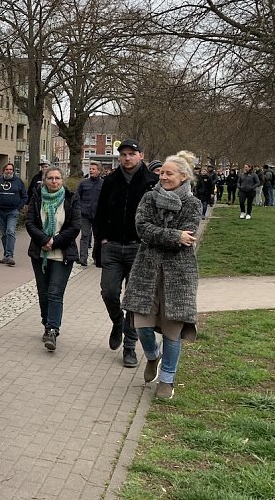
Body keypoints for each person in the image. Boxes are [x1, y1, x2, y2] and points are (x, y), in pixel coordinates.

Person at [122, 151, 201, 400]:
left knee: (172, 330)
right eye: (161, 172)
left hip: (179, 276)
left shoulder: (193, 204)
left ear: (183, 176)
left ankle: (167, 378)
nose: (163, 176)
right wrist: (174, 236)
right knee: (141, 323)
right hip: (146, 270)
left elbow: (187, 237)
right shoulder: (148, 198)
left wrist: (175, 237)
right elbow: (142, 229)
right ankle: (152, 355)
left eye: (169, 173)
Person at [93, 139, 158, 369]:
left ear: (141, 155)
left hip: (139, 248)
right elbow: (99, 213)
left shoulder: (152, 182)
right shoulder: (110, 180)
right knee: (109, 291)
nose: (127, 158)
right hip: (112, 246)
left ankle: (130, 346)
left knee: (133, 300)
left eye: (132, 154)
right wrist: (101, 240)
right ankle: (117, 322)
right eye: (124, 154)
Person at [25, 167, 81, 351]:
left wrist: (54, 241)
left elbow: (75, 226)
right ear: (44, 180)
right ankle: (46, 322)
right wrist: (43, 240)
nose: (54, 181)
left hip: (62, 253)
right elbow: (30, 222)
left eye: (57, 178)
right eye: (50, 178)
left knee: (55, 292)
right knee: (43, 293)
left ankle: (52, 329)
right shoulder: (37, 197)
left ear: (62, 180)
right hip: (40, 253)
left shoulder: (71, 198)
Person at [0, 163, 28, 267]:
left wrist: (18, 208)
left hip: (13, 211)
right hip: (0, 211)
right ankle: (6, 255)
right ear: (3, 171)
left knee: (10, 231)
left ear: (13, 171)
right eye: (6, 169)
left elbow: (25, 196)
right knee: (4, 233)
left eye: (10, 169)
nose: (8, 171)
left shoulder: (18, 182)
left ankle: (10, 255)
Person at [76, 161, 103, 266]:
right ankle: (83, 258)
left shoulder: (103, 184)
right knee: (85, 236)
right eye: (90, 169)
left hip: (98, 215)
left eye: (93, 169)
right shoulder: (83, 183)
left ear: (99, 171)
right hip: (85, 214)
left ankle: (96, 258)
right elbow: (77, 197)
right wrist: (79, 210)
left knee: (98, 237)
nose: (91, 170)